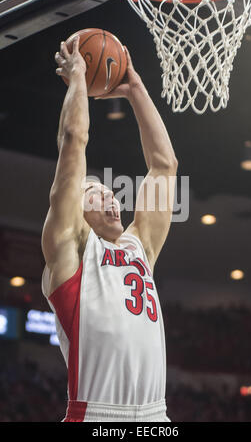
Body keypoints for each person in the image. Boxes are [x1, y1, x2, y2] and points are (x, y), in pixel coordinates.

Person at [41, 35, 178, 422]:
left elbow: (164, 166)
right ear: (74, 212)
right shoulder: (69, 253)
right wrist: (79, 79)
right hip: (98, 416)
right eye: (94, 193)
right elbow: (74, 140)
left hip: (156, 418)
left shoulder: (140, 249)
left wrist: (135, 89)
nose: (109, 197)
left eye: (109, 190)